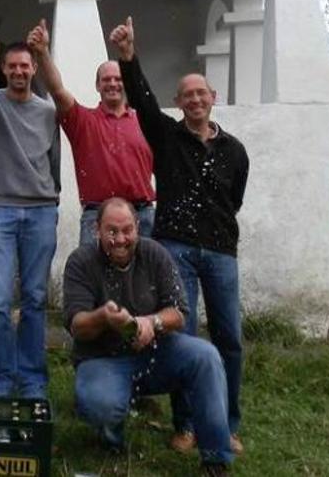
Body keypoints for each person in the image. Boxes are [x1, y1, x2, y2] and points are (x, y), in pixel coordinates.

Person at [111, 16, 250, 455]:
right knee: (183, 338)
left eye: (201, 94)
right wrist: (128, 57)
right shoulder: (167, 138)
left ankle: (226, 424)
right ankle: (187, 424)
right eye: (186, 95)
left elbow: (235, 198)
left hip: (222, 252)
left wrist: (217, 230)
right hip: (177, 249)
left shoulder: (235, 151)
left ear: (213, 99)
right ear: (179, 101)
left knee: (228, 338)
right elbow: (144, 102)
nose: (194, 100)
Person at [64, 198, 233, 476]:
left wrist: (151, 322)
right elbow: (76, 326)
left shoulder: (155, 253)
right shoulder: (80, 261)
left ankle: (215, 458)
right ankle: (111, 439)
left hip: (156, 352)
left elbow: (179, 313)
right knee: (100, 404)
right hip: (102, 358)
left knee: (206, 356)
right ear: (97, 229)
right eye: (111, 231)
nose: (120, 239)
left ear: (138, 227)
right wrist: (103, 317)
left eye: (127, 230)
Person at [0, 40, 61, 399]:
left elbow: (53, 161)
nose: (20, 72)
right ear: (3, 70)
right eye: (13, 67)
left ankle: (33, 378)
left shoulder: (47, 111)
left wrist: (53, 200)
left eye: (25, 66)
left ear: (34, 68)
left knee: (36, 298)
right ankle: (2, 378)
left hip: (40, 210)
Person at [26, 19, 156, 244]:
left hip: (142, 216)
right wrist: (42, 53)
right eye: (106, 80)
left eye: (118, 79)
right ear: (97, 86)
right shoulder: (82, 121)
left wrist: (128, 50)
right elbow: (56, 90)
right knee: (94, 279)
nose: (113, 84)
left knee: (148, 279)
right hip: (96, 216)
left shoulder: (146, 121)